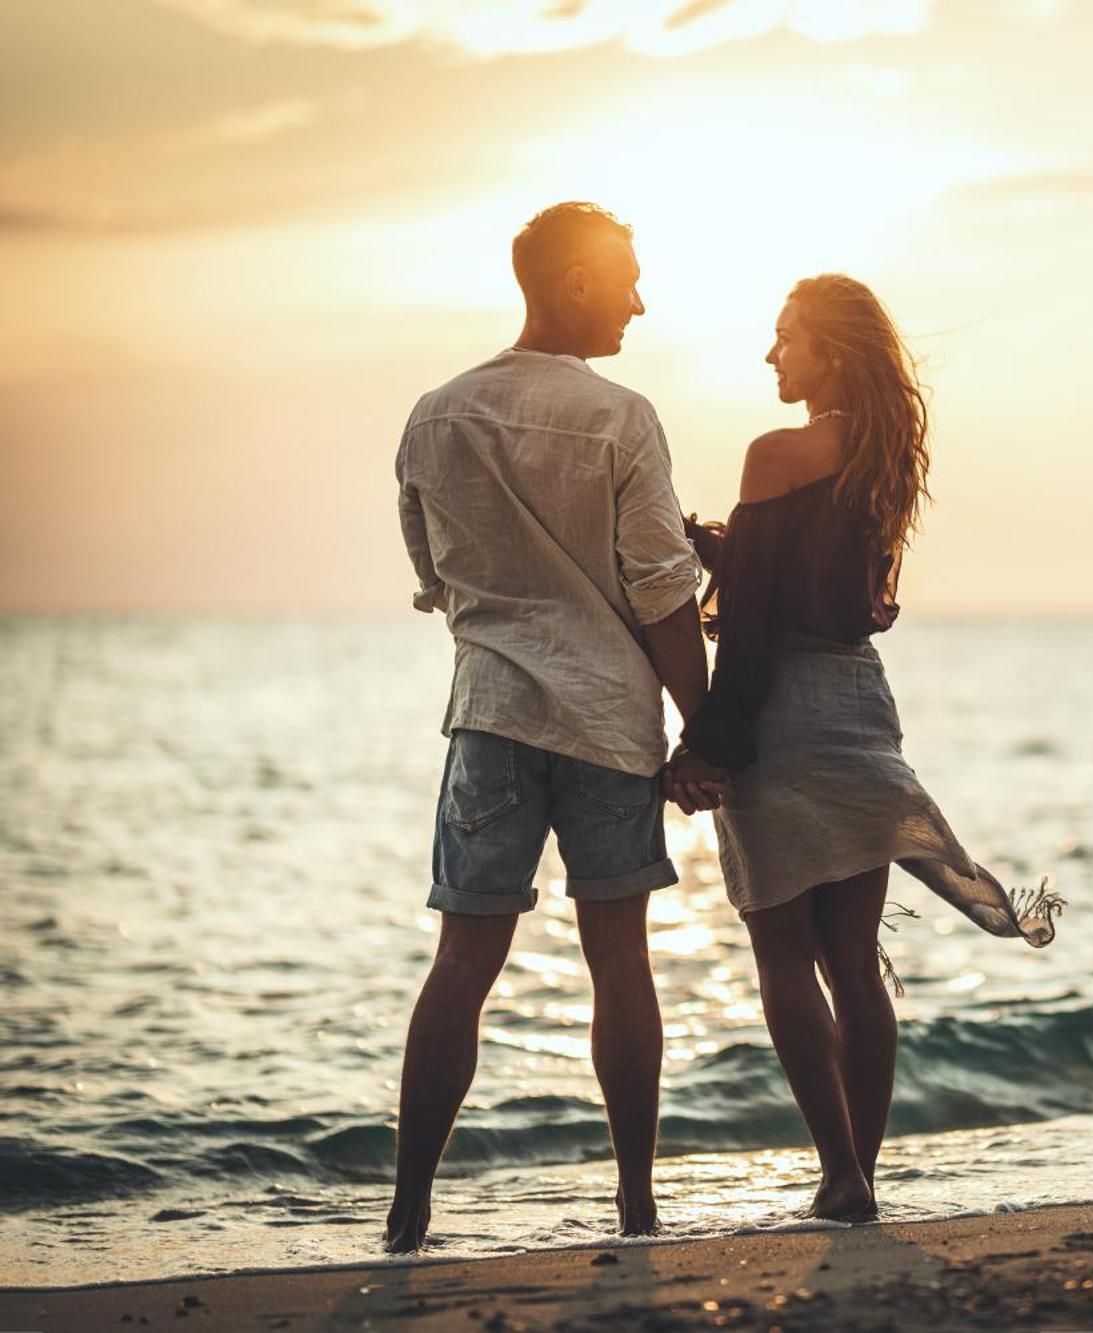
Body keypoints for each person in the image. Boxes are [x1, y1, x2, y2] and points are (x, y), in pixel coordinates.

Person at [671, 274, 1063, 1221]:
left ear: (831, 352)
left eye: (786, 338)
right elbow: (824, 596)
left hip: (784, 714)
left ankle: (838, 1171)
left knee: (780, 954)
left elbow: (757, 629)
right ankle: (860, 1180)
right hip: (859, 706)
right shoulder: (881, 461)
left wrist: (704, 746)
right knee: (850, 961)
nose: (772, 355)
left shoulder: (776, 454)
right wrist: (718, 547)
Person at [386, 201, 717, 1252]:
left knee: (460, 964)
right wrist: (701, 726)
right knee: (619, 957)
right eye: (623, 277)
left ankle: (406, 1209)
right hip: (609, 723)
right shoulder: (621, 417)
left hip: (490, 716)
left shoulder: (436, 415)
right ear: (572, 280)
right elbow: (663, 588)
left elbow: (433, 575)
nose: (637, 299)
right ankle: (634, 1200)